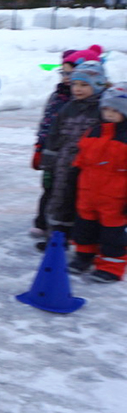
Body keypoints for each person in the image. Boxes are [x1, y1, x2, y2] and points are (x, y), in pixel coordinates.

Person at [38, 59, 106, 246]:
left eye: (84, 85)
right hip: (64, 165)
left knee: (84, 204)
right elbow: (54, 133)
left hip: (90, 168)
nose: (77, 89)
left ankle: (85, 242)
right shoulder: (68, 107)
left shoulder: (103, 110)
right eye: (75, 84)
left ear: (98, 84)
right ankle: (57, 238)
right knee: (60, 201)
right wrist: (48, 161)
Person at [68, 84, 127, 283]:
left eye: (116, 110)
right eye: (106, 109)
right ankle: (83, 257)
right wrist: (73, 176)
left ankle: (111, 266)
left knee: (112, 235)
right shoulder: (93, 132)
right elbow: (81, 158)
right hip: (88, 194)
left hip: (115, 200)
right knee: (84, 229)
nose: (109, 114)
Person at [31, 50, 76, 237]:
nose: (66, 77)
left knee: (65, 191)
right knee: (48, 188)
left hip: (69, 156)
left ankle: (64, 229)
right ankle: (42, 222)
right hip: (50, 150)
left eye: (70, 73)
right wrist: (39, 146)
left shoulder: (78, 101)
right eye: (63, 73)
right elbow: (46, 122)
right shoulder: (56, 96)